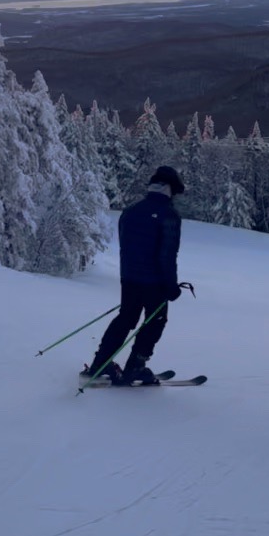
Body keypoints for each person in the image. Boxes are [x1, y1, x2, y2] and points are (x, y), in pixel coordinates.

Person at [86, 165, 185, 385]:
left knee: (126, 318)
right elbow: (167, 254)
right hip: (155, 282)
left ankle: (100, 363)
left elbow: (127, 247)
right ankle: (135, 367)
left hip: (129, 277)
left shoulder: (131, 210)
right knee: (155, 322)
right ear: (170, 189)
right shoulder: (169, 215)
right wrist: (171, 285)